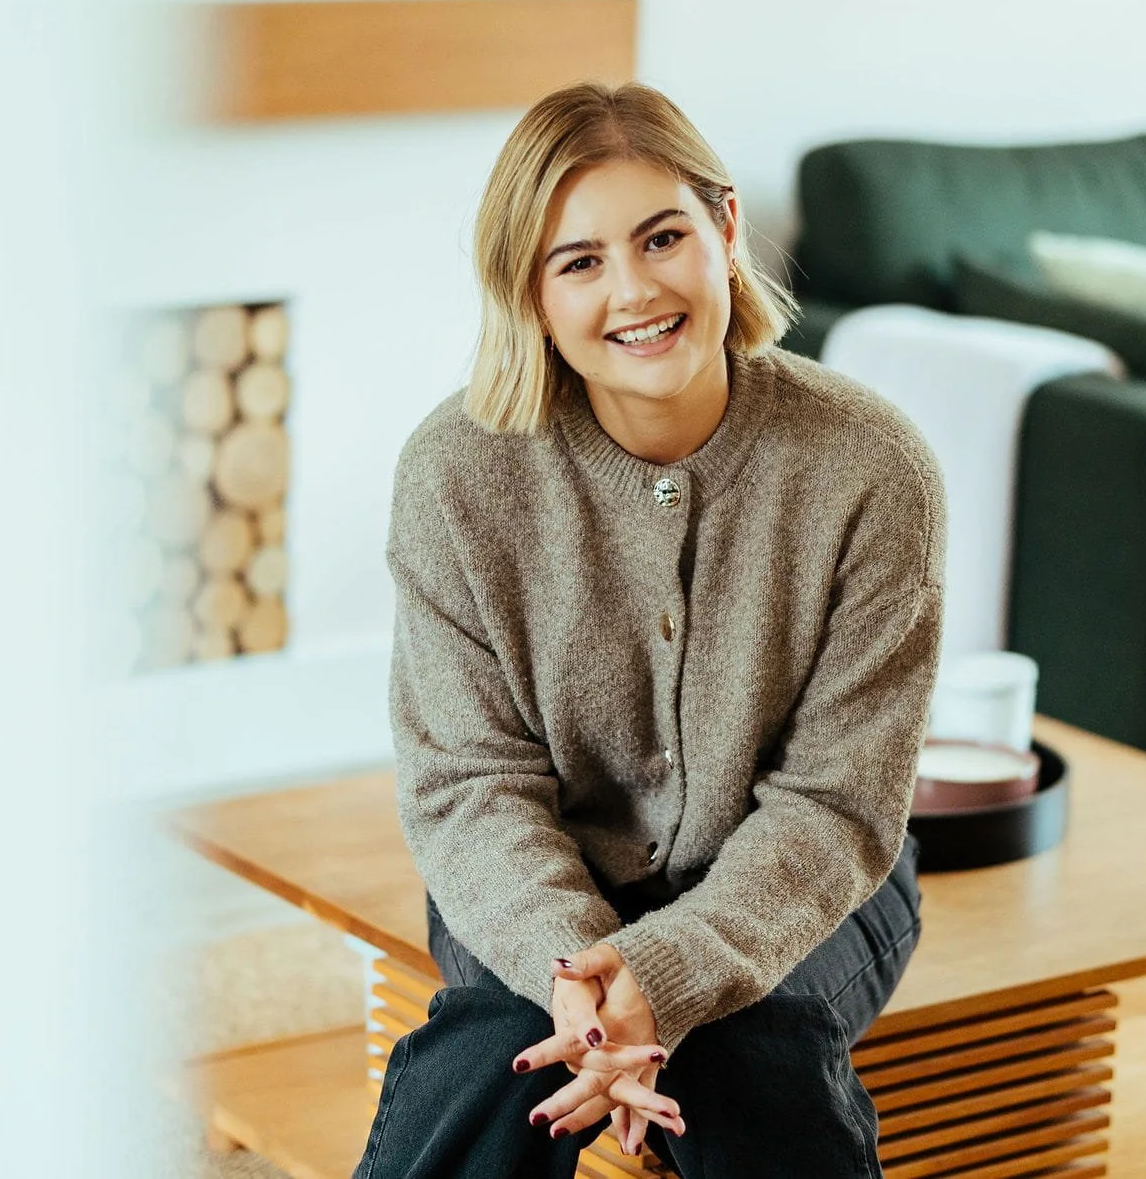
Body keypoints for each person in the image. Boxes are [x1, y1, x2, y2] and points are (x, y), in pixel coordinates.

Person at [355, 82, 946, 1178]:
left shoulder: (868, 468)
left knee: (749, 1048)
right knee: (502, 1048)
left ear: (722, 230)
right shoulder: (454, 475)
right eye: (576, 261)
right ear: (527, 294)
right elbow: (468, 787)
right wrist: (583, 991)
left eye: (660, 237)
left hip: (807, 883)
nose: (632, 291)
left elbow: (836, 803)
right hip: (531, 882)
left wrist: (667, 979)